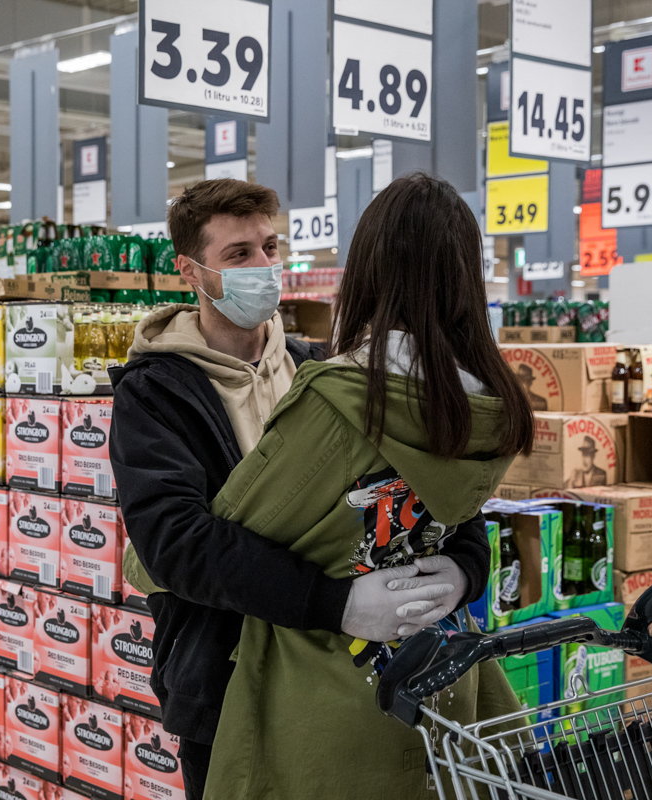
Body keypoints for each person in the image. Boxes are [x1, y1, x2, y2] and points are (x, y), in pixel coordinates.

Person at [109, 178, 485, 799]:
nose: (264, 267)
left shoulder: (326, 372)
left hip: (348, 681)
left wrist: (467, 567)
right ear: (191, 271)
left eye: (270, 247)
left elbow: (433, 493)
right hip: (224, 681)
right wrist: (336, 603)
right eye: (238, 255)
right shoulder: (153, 395)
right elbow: (175, 544)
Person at [191, 173, 535, 799]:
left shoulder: (340, 397)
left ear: (370, 271)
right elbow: (457, 518)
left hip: (324, 701)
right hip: (441, 677)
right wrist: (461, 572)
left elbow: (230, 530)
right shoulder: (488, 404)